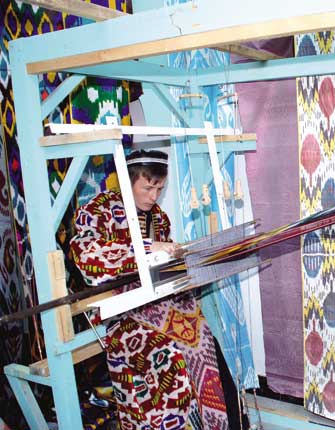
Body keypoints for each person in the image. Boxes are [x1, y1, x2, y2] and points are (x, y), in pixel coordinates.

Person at [70, 149, 236, 430]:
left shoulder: (159, 217)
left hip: (161, 304)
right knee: (168, 355)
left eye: (159, 188)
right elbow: (87, 258)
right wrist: (147, 248)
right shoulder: (97, 211)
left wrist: (187, 266)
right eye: (148, 188)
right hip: (122, 312)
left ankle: (216, 424)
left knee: (206, 343)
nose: (154, 196)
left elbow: (163, 269)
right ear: (128, 182)